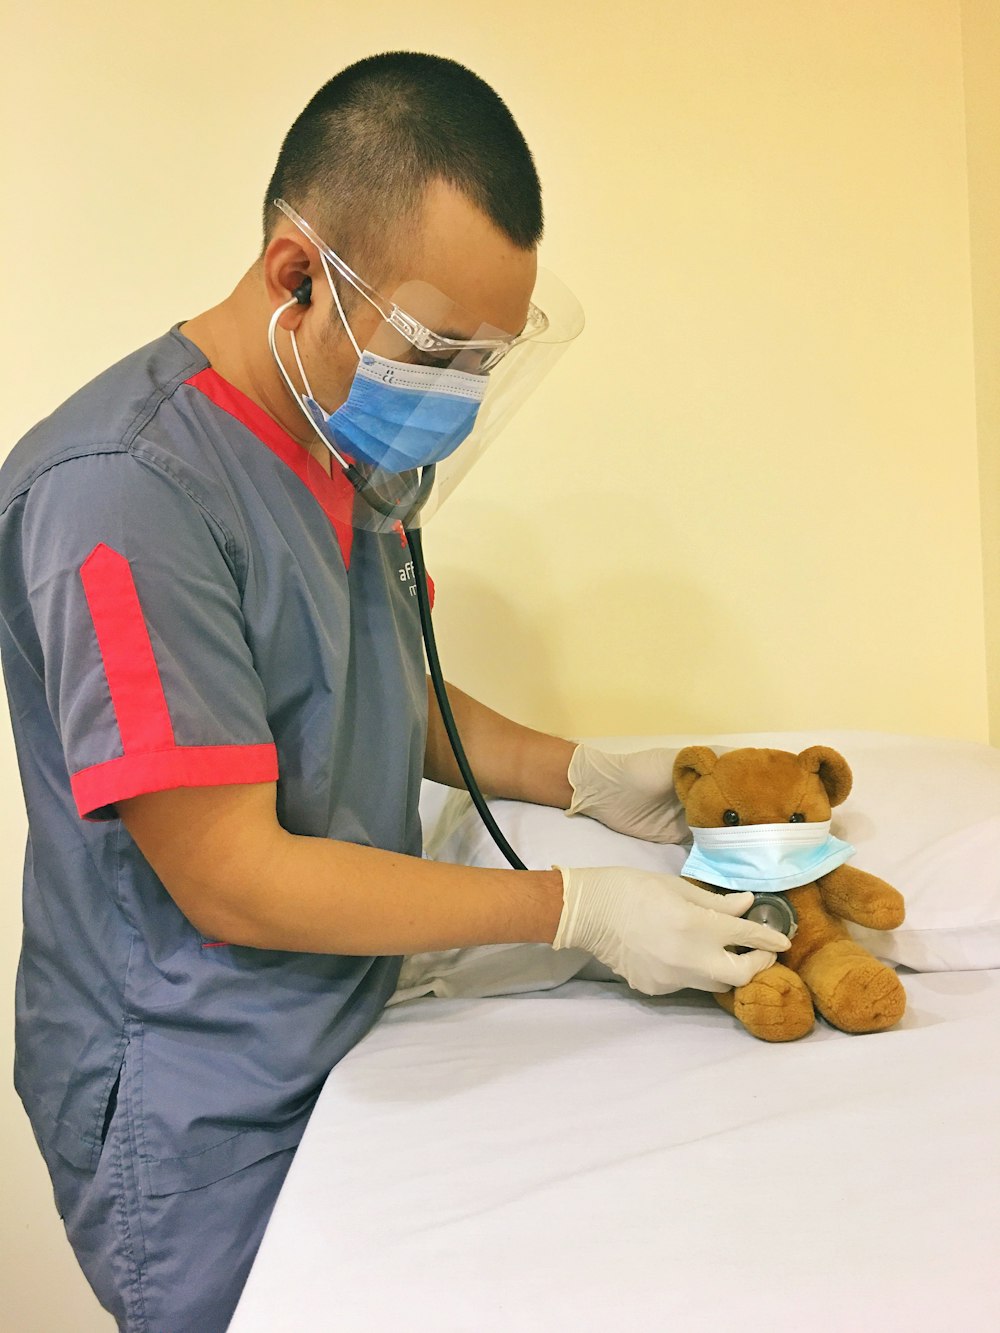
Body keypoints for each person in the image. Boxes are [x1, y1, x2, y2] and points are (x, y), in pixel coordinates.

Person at [0, 52, 787, 1331]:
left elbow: (363, 688)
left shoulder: (337, 444)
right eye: (437, 349)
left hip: (342, 1027)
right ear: (296, 275)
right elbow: (231, 873)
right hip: (202, 1104)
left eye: (484, 359)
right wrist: (572, 908)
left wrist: (582, 775)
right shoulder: (124, 496)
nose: (455, 395)